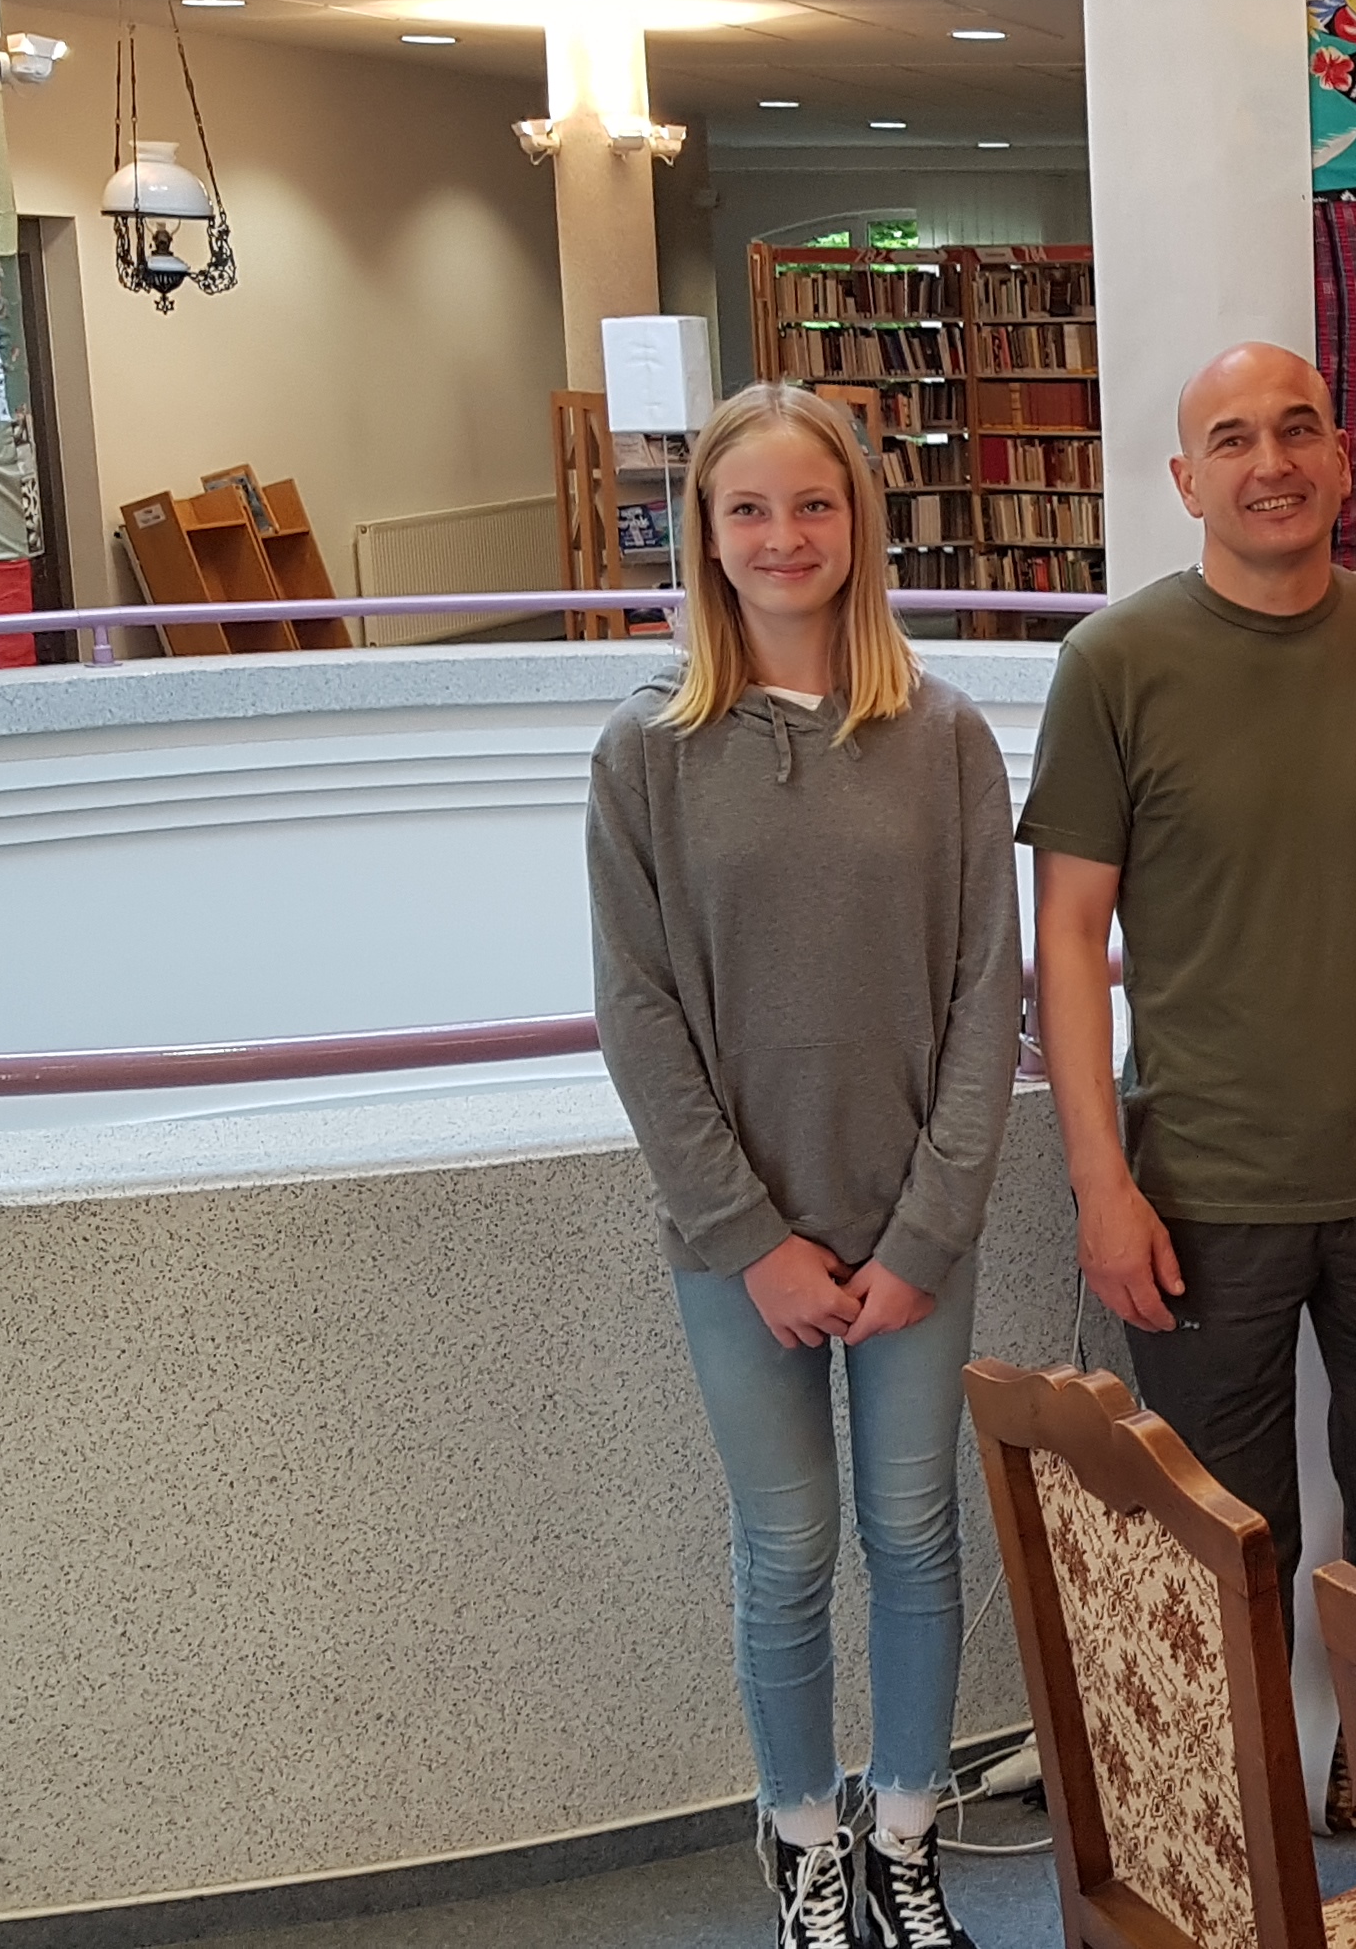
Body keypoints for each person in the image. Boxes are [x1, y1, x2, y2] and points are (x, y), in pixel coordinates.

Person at [1021, 342, 1356, 1818]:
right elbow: (1067, 937)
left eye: (1298, 429)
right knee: (1222, 1544)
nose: (1272, 462)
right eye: (1232, 439)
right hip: (1203, 1196)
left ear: (1340, 459)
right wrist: (1100, 1183)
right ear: (1188, 482)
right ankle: (1232, 1832)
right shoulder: (1114, 667)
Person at [589, 383, 1022, 1949]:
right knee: (785, 1552)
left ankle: (904, 1833)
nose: (785, 537)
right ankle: (804, 1846)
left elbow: (987, 1000)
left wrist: (924, 1236)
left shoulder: (945, 739)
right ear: (707, 537)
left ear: (861, 525)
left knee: (915, 1538)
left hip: (915, 1235)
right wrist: (749, 1239)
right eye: (750, 510)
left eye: (814, 505)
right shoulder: (646, 753)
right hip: (739, 1249)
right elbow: (637, 1011)